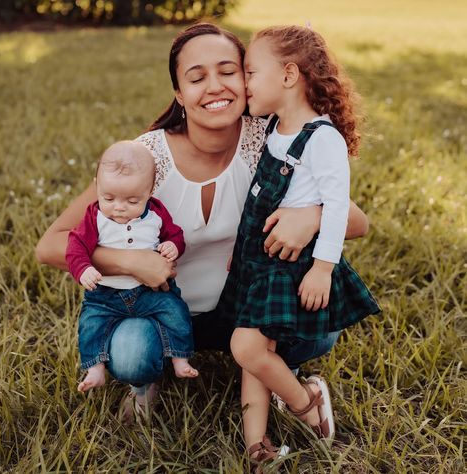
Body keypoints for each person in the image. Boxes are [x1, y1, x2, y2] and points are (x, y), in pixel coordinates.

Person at [35, 23, 370, 423]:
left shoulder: (269, 139)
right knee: (130, 354)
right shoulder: (147, 157)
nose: (215, 87)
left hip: (244, 311)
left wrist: (310, 215)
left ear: (249, 78)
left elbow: (355, 221)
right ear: (179, 93)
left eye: (229, 72)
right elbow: (51, 243)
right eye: (197, 77)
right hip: (160, 306)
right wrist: (130, 262)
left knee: (318, 323)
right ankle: (149, 379)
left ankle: (283, 377)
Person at [217, 25, 381, 466]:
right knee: (256, 354)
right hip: (259, 260)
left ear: (288, 75)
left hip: (291, 268)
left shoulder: (321, 138)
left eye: (251, 72)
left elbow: (336, 207)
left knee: (246, 347)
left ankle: (306, 401)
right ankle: (257, 443)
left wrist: (323, 269)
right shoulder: (273, 126)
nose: (244, 83)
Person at [67, 140, 199, 393]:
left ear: (150, 192)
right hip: (105, 295)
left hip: (151, 292)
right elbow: (75, 246)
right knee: (91, 323)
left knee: (176, 312)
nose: (119, 207)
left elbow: (175, 235)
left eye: (131, 200)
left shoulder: (157, 214)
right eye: (109, 197)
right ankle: (95, 368)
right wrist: (83, 269)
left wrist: (173, 246)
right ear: (97, 186)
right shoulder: (94, 217)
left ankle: (180, 357)